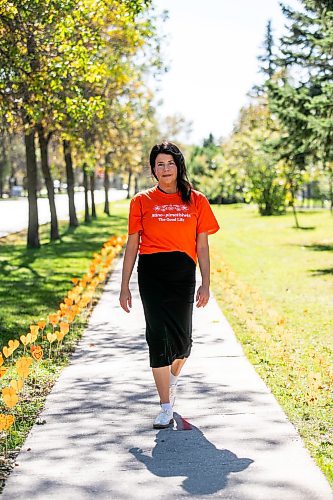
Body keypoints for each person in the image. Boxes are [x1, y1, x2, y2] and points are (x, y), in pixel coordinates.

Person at [119, 141, 220, 429]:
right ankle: (165, 405)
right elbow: (132, 243)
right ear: (153, 169)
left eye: (170, 163)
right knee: (158, 338)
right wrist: (124, 285)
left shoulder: (196, 200)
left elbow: (202, 246)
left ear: (178, 166)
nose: (165, 169)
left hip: (183, 273)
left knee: (183, 344)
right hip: (151, 273)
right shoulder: (141, 201)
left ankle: (171, 378)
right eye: (159, 164)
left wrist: (206, 283)